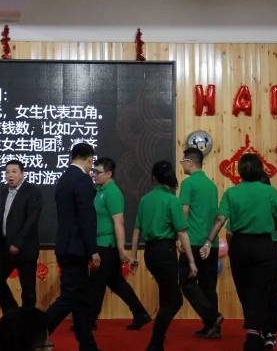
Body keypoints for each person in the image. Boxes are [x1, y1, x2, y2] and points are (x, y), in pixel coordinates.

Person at [199, 154, 277, 351]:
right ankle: (256, 334)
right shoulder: (267, 192)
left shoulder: (233, 193)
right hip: (262, 246)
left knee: (250, 291)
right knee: (260, 291)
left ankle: (257, 333)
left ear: (240, 171)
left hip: (244, 247)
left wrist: (208, 242)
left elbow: (220, 220)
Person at [231, 171, 277, 350]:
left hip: (267, 252)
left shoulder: (269, 199)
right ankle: (259, 331)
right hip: (255, 252)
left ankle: (268, 331)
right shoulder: (251, 200)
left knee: (268, 292)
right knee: (255, 294)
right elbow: (231, 230)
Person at [131, 160, 197, 351]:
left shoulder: (145, 199)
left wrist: (133, 256)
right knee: (171, 301)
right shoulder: (172, 200)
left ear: (154, 177)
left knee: (171, 299)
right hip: (165, 252)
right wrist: (191, 261)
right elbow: (182, 232)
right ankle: (155, 343)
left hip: (149, 253)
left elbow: (136, 230)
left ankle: (158, 339)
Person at [45, 142, 102, 351]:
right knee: (69, 297)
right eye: (91, 162)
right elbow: (86, 218)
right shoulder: (83, 180)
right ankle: (34, 332)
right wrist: (92, 249)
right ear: (89, 159)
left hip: (65, 245)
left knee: (81, 299)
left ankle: (87, 345)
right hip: (77, 248)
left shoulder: (64, 178)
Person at [86, 156, 151, 331]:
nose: (94, 175)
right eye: (93, 171)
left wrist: (122, 248)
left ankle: (89, 321)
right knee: (116, 282)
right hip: (102, 243)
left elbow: (119, 222)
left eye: (98, 172)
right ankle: (140, 313)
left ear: (109, 174)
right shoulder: (100, 190)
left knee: (96, 283)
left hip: (106, 245)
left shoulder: (112, 192)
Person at [177, 147, 224, 339]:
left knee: (186, 281)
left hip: (192, 241)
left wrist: (179, 238)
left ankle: (212, 318)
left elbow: (184, 212)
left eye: (182, 162)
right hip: (210, 244)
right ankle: (213, 328)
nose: (182, 165)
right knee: (208, 286)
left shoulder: (188, 183)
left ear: (189, 162)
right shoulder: (211, 185)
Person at [0, 159, 43, 313]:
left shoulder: (33, 192)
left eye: (14, 172)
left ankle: (28, 322)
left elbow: (31, 221)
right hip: (5, 247)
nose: (10, 175)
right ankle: (12, 314)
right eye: (7, 172)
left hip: (25, 249)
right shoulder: (4, 192)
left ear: (22, 173)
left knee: (28, 291)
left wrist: (18, 243)